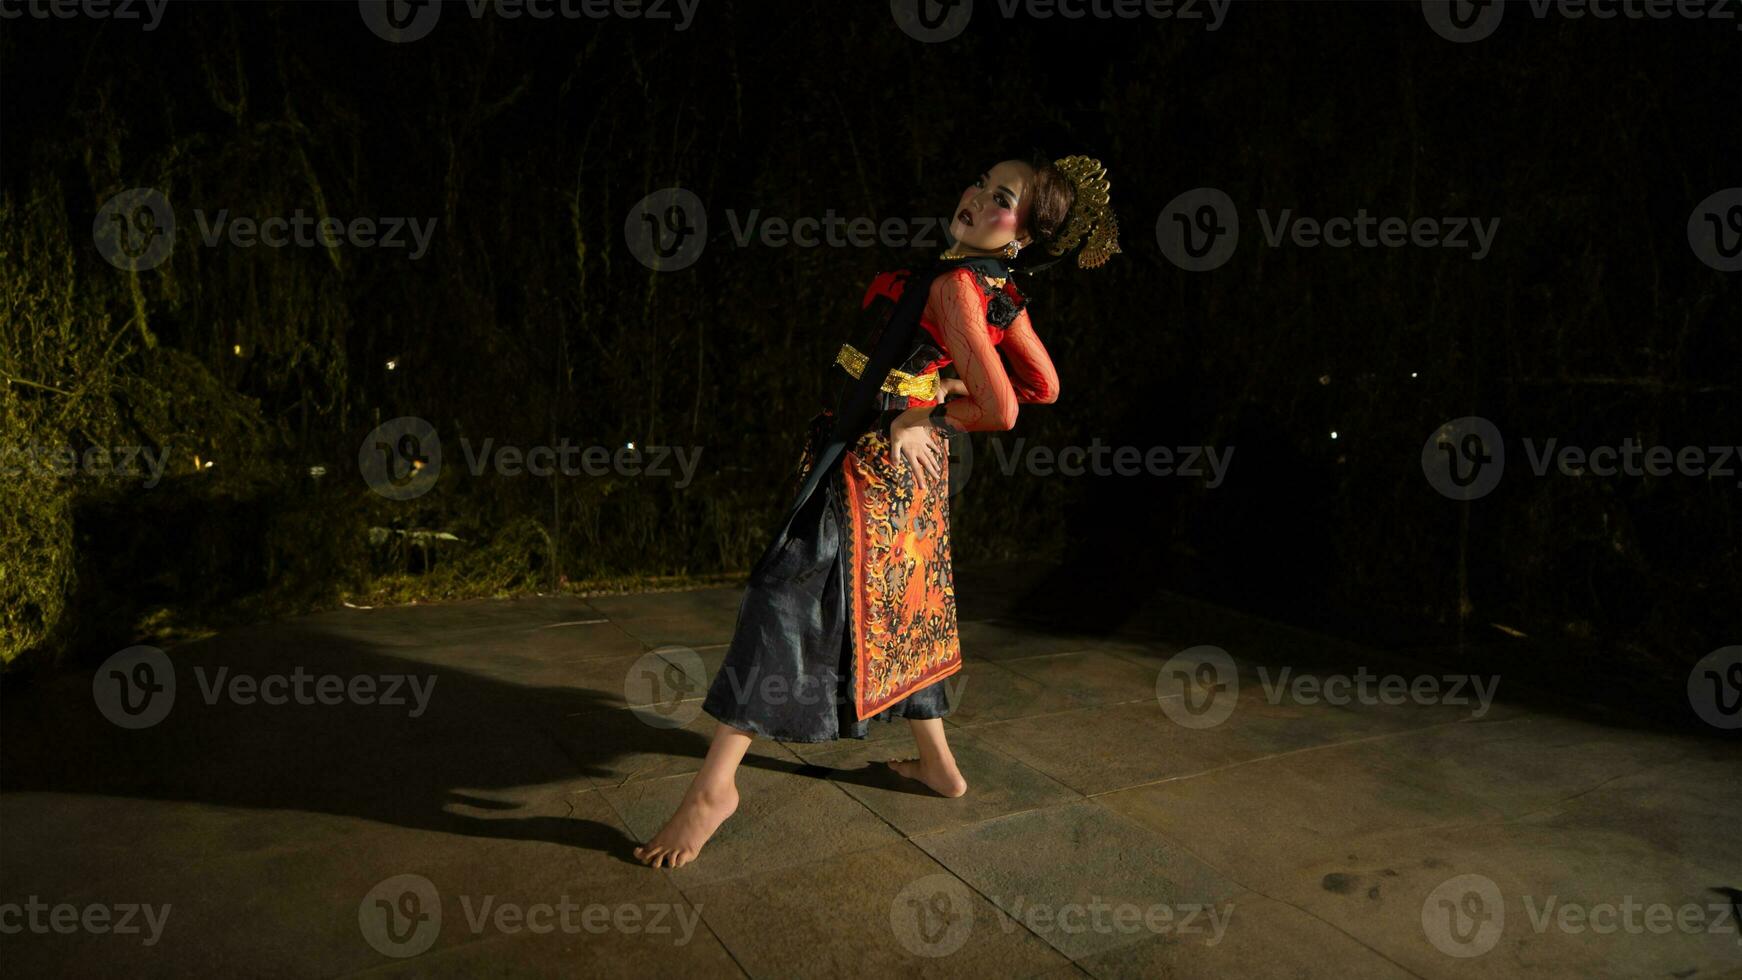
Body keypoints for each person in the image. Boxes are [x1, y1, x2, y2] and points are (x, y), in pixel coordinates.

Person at [633, 154, 1120, 868]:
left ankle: (713, 789)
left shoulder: (957, 284)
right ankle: (939, 768)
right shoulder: (992, 285)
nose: (977, 197)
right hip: (905, 482)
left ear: (1023, 234)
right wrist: (937, 393)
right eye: (982, 183)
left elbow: (1010, 408)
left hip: (868, 471)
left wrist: (920, 413)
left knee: (781, 595)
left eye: (1003, 199)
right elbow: (1045, 384)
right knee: (905, 612)